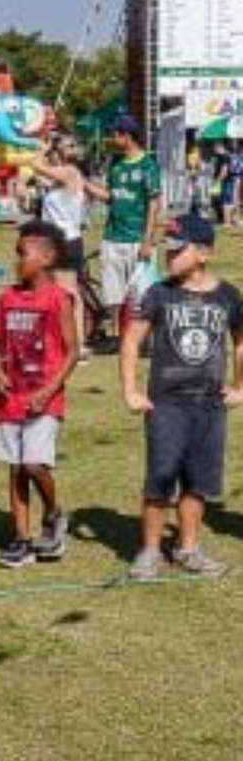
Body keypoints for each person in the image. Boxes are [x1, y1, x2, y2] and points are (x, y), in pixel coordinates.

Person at [121, 212, 243, 582]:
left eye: (178, 249)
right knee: (160, 476)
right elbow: (130, 340)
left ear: (203, 253)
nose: (170, 257)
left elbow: (240, 344)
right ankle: (150, 551)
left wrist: (239, 387)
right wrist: (130, 390)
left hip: (209, 405)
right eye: (168, 249)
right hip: (166, 404)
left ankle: (188, 547)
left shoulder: (227, 296)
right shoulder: (158, 293)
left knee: (198, 480)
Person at [0, 222, 79, 568]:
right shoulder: (7, 298)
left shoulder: (58, 299)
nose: (17, 261)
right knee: (16, 470)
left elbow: (72, 351)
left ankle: (54, 513)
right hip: (11, 398)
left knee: (34, 463)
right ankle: (22, 537)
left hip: (44, 399)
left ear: (48, 257)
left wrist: (48, 390)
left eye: (23, 254)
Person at [86, 115, 162, 342]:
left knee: (142, 294)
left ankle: (145, 340)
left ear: (127, 136)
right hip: (113, 237)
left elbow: (154, 203)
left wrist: (147, 240)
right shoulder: (116, 165)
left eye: (115, 134)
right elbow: (111, 197)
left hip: (137, 238)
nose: (112, 138)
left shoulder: (148, 165)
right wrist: (84, 184)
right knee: (113, 295)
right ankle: (120, 338)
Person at [29, 133, 90, 352]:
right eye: (67, 144)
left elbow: (35, 164)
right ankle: (62, 340)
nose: (70, 147)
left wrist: (43, 147)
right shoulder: (58, 177)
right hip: (54, 240)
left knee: (69, 293)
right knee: (53, 292)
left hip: (66, 240)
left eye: (72, 144)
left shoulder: (70, 172)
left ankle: (79, 344)